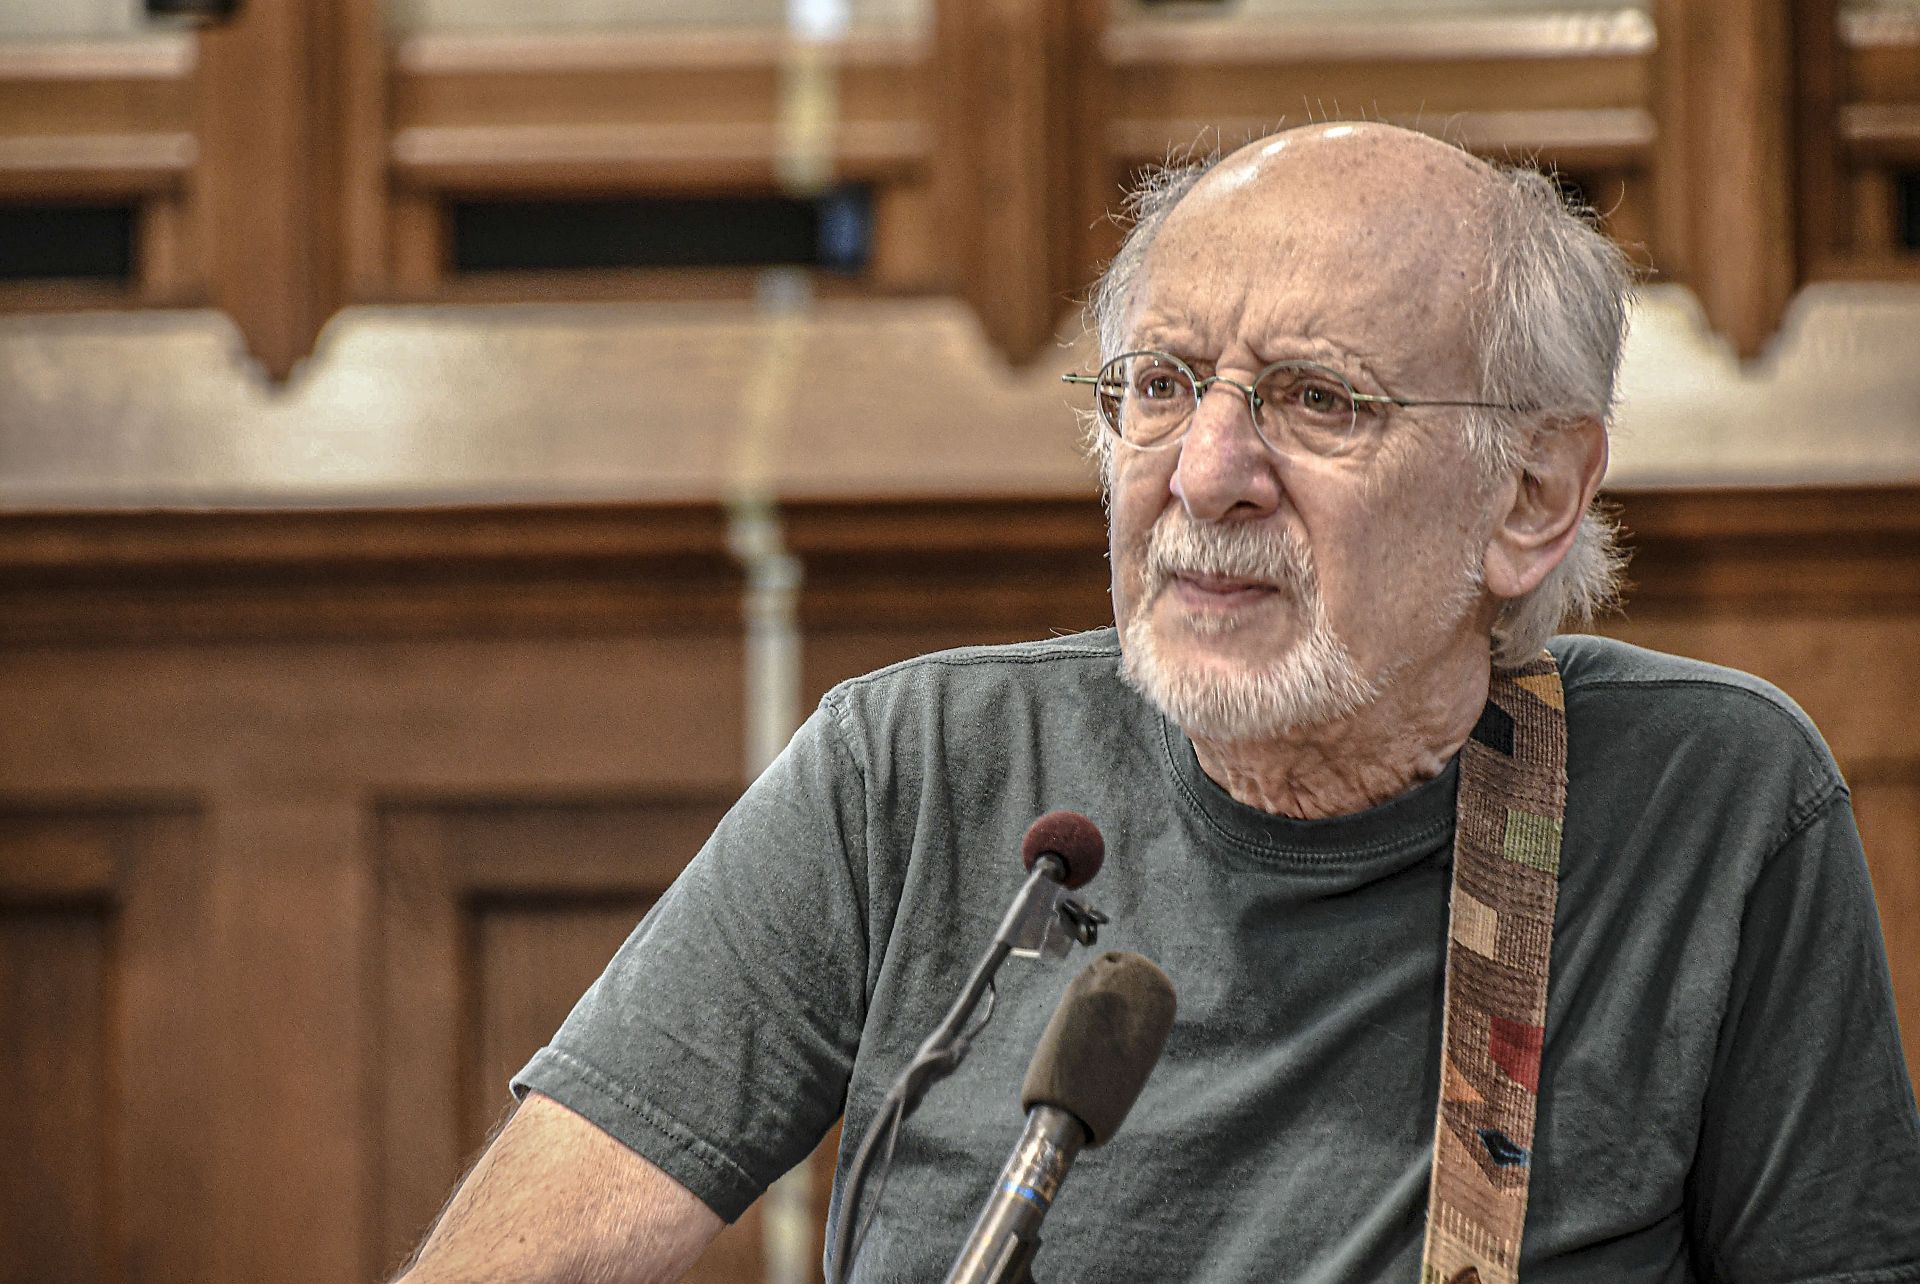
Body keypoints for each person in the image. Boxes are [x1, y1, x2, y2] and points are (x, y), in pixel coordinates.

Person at [394, 124, 1920, 1283]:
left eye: (1320, 400)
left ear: (1531, 494)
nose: (1203, 472)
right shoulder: (916, 769)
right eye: (1160, 384)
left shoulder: (1716, 804)